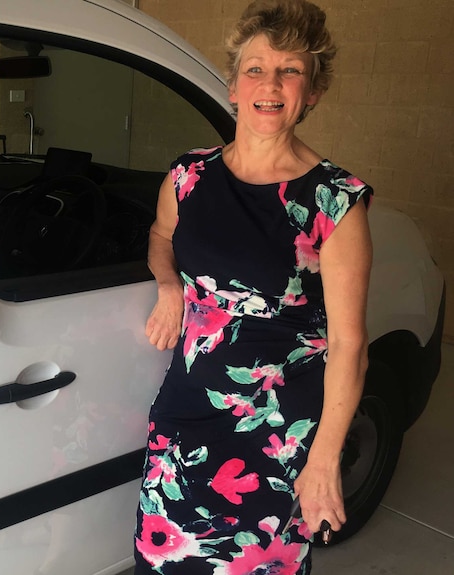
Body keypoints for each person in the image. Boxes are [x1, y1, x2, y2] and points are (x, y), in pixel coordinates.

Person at [134, 0, 372, 572]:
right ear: (234, 85)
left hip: (277, 431)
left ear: (311, 92)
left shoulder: (333, 201)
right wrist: (169, 284)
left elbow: (349, 346)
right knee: (164, 560)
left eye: (291, 70)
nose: (272, 83)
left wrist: (323, 460)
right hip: (187, 410)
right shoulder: (189, 176)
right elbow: (161, 236)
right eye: (256, 68)